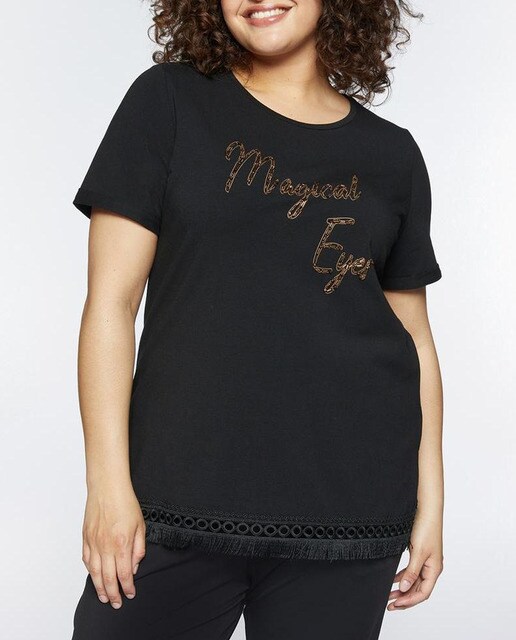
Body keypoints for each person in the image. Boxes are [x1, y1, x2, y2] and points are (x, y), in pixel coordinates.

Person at [70, 1, 444, 638]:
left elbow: (413, 339)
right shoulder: (168, 102)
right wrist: (107, 485)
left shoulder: (393, 155)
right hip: (176, 498)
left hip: (348, 508)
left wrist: (430, 498)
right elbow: (111, 304)